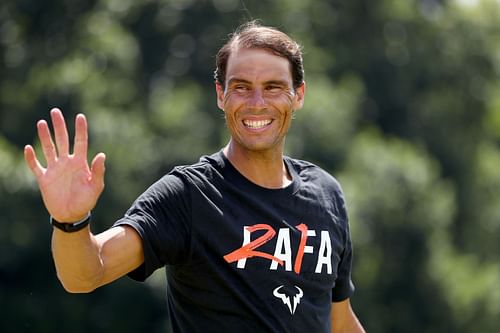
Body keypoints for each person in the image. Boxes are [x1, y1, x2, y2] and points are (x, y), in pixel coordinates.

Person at [24, 21, 365, 333]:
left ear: (298, 95)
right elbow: (86, 273)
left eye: (273, 87)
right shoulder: (188, 196)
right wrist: (70, 221)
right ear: (221, 95)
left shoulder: (326, 194)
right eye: (241, 87)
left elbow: (337, 320)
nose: (257, 103)